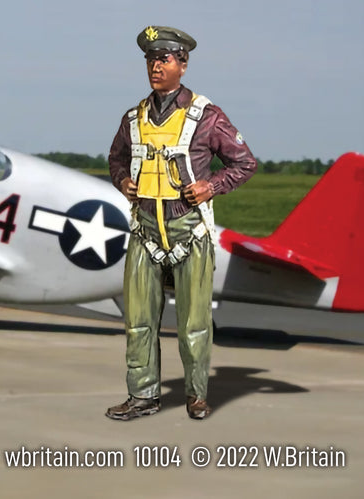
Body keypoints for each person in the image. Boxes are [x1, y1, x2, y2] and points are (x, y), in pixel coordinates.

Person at [107, 26, 257, 420]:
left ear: (183, 64)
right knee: (138, 321)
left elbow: (245, 163)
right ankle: (143, 396)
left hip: (188, 231)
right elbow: (117, 159)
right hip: (144, 230)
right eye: (150, 59)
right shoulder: (134, 117)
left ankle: (196, 394)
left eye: (164, 59)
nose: (155, 66)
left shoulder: (208, 117)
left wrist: (213, 186)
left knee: (193, 323)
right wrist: (123, 180)